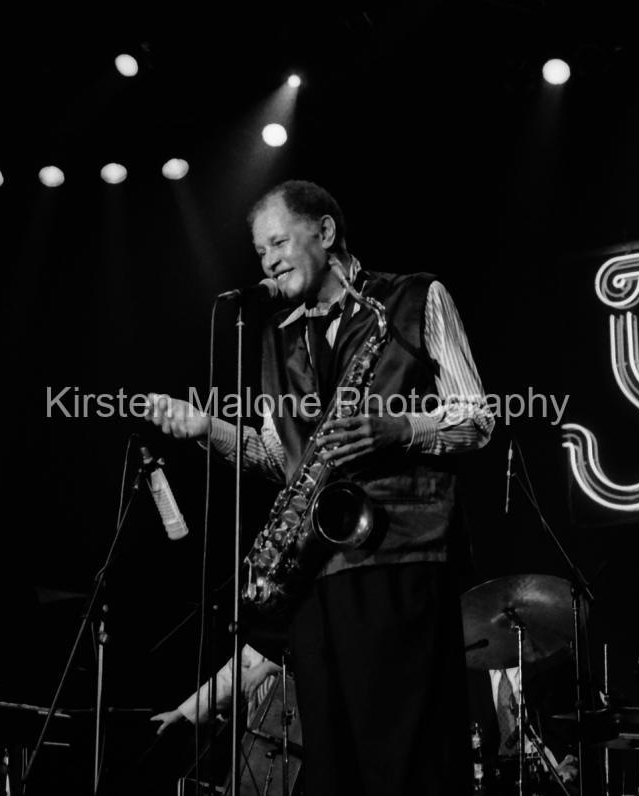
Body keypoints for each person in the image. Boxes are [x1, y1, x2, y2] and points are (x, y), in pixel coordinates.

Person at [145, 180, 494, 795]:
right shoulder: (275, 339)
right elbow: (284, 459)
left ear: (325, 232)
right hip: (315, 570)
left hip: (403, 558)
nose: (268, 261)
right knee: (336, 771)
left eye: (278, 242)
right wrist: (209, 429)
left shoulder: (415, 298)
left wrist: (400, 427)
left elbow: (477, 418)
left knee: (407, 764)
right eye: (259, 252)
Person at [151, 644, 282, 736]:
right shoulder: (263, 632)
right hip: (265, 733)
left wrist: (268, 667)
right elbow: (228, 679)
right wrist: (179, 714)